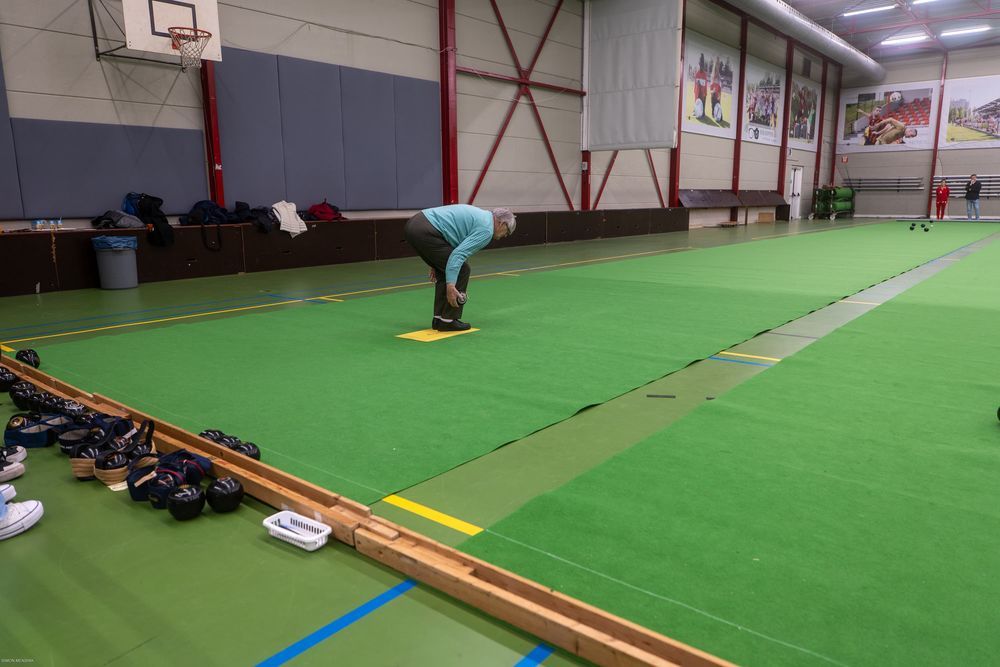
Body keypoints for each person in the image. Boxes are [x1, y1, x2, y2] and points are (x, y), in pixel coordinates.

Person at [403, 205, 516, 331]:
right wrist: (451, 285)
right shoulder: (487, 230)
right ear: (501, 223)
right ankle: (448, 320)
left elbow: (457, 248)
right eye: (507, 231)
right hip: (427, 230)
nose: (505, 235)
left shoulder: (482, 217)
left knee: (445, 269)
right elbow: (458, 254)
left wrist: (435, 263)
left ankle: (438, 319)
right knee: (462, 270)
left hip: (415, 224)